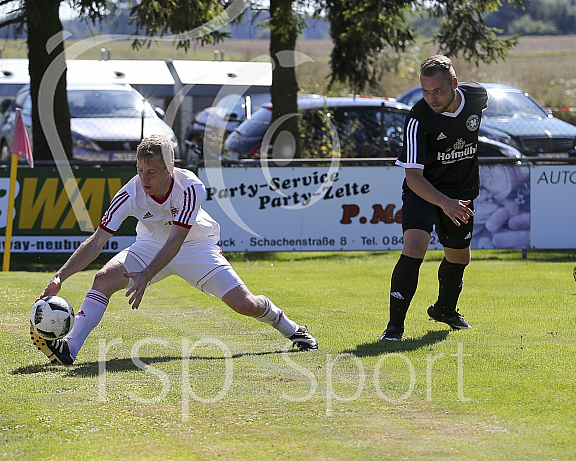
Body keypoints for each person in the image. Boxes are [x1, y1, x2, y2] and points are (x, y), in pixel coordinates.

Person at [31, 135, 318, 365]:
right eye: (141, 171)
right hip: (150, 244)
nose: (145, 179)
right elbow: (96, 242)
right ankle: (69, 349)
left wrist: (145, 274)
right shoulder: (129, 193)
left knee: (245, 305)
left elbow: (177, 240)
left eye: (152, 172)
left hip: (195, 246)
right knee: (103, 279)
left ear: (171, 168)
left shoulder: (190, 186)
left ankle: (289, 326)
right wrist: (60, 276)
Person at [379, 55, 488, 341]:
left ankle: (445, 309)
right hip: (424, 192)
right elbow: (413, 177)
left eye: (438, 90)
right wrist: (444, 203)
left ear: (454, 84)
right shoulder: (418, 118)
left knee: (459, 257)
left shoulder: (477, 96)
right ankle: (394, 328)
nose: (432, 98)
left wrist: (453, 202)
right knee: (414, 247)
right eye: (425, 91)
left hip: (461, 194)